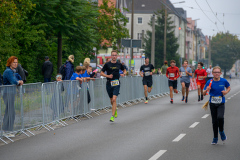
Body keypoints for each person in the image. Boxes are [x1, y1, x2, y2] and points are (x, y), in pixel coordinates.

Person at [203, 66, 230, 145]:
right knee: (214, 121)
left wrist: (226, 92)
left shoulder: (224, 81)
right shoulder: (209, 82)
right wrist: (206, 90)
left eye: (218, 72)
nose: (216, 74)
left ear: (220, 73)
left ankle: (221, 131)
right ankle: (215, 138)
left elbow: (228, 87)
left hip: (221, 102)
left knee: (220, 117)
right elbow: (204, 93)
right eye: (215, 72)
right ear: (212, 73)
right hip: (212, 103)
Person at [100, 50, 126, 122]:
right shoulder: (107, 64)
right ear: (111, 56)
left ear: (116, 56)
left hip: (116, 83)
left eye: (115, 55)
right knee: (111, 100)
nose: (114, 56)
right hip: (109, 83)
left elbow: (124, 70)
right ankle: (115, 110)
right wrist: (107, 75)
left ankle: (112, 116)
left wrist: (124, 74)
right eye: (113, 55)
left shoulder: (119, 64)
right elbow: (101, 73)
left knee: (114, 99)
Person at [2, 56, 24, 137]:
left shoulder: (13, 71)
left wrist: (20, 81)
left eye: (16, 62)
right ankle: (6, 130)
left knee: (11, 112)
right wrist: (19, 82)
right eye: (14, 62)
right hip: (7, 94)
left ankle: (8, 130)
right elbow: (13, 81)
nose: (15, 64)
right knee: (10, 112)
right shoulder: (8, 71)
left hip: (11, 93)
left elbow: (19, 79)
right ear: (10, 63)